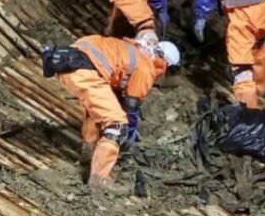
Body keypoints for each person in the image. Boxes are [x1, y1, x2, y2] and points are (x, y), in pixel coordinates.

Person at [43, 36, 180, 189]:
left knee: (100, 111)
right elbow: (131, 104)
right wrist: (129, 128)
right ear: (166, 63)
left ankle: (89, 152)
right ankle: (99, 179)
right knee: (117, 124)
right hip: (85, 68)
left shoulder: (132, 50)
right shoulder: (146, 66)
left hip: (69, 61)